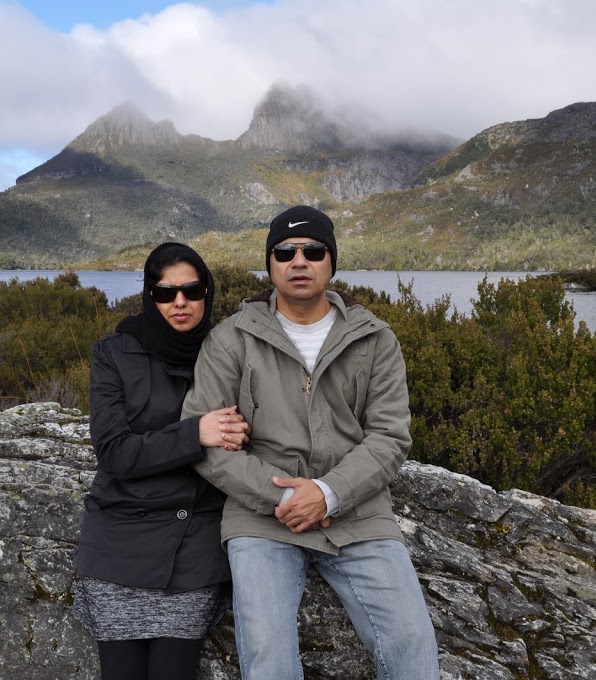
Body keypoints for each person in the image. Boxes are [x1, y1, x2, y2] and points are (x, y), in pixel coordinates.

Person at [181, 206, 441, 679]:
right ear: (271, 264)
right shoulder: (231, 339)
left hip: (358, 513)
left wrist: (327, 493)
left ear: (331, 262)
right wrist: (284, 495)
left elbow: (389, 437)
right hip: (262, 514)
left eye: (313, 250)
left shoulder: (376, 340)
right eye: (284, 252)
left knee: (412, 643)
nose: (299, 261)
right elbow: (208, 440)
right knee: (267, 654)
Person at [73, 242, 251, 680]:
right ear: (149, 296)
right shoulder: (113, 353)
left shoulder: (229, 352)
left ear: (207, 292)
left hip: (192, 544)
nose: (180, 303)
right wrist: (196, 434)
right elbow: (115, 452)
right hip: (120, 539)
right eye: (165, 293)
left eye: (191, 291)